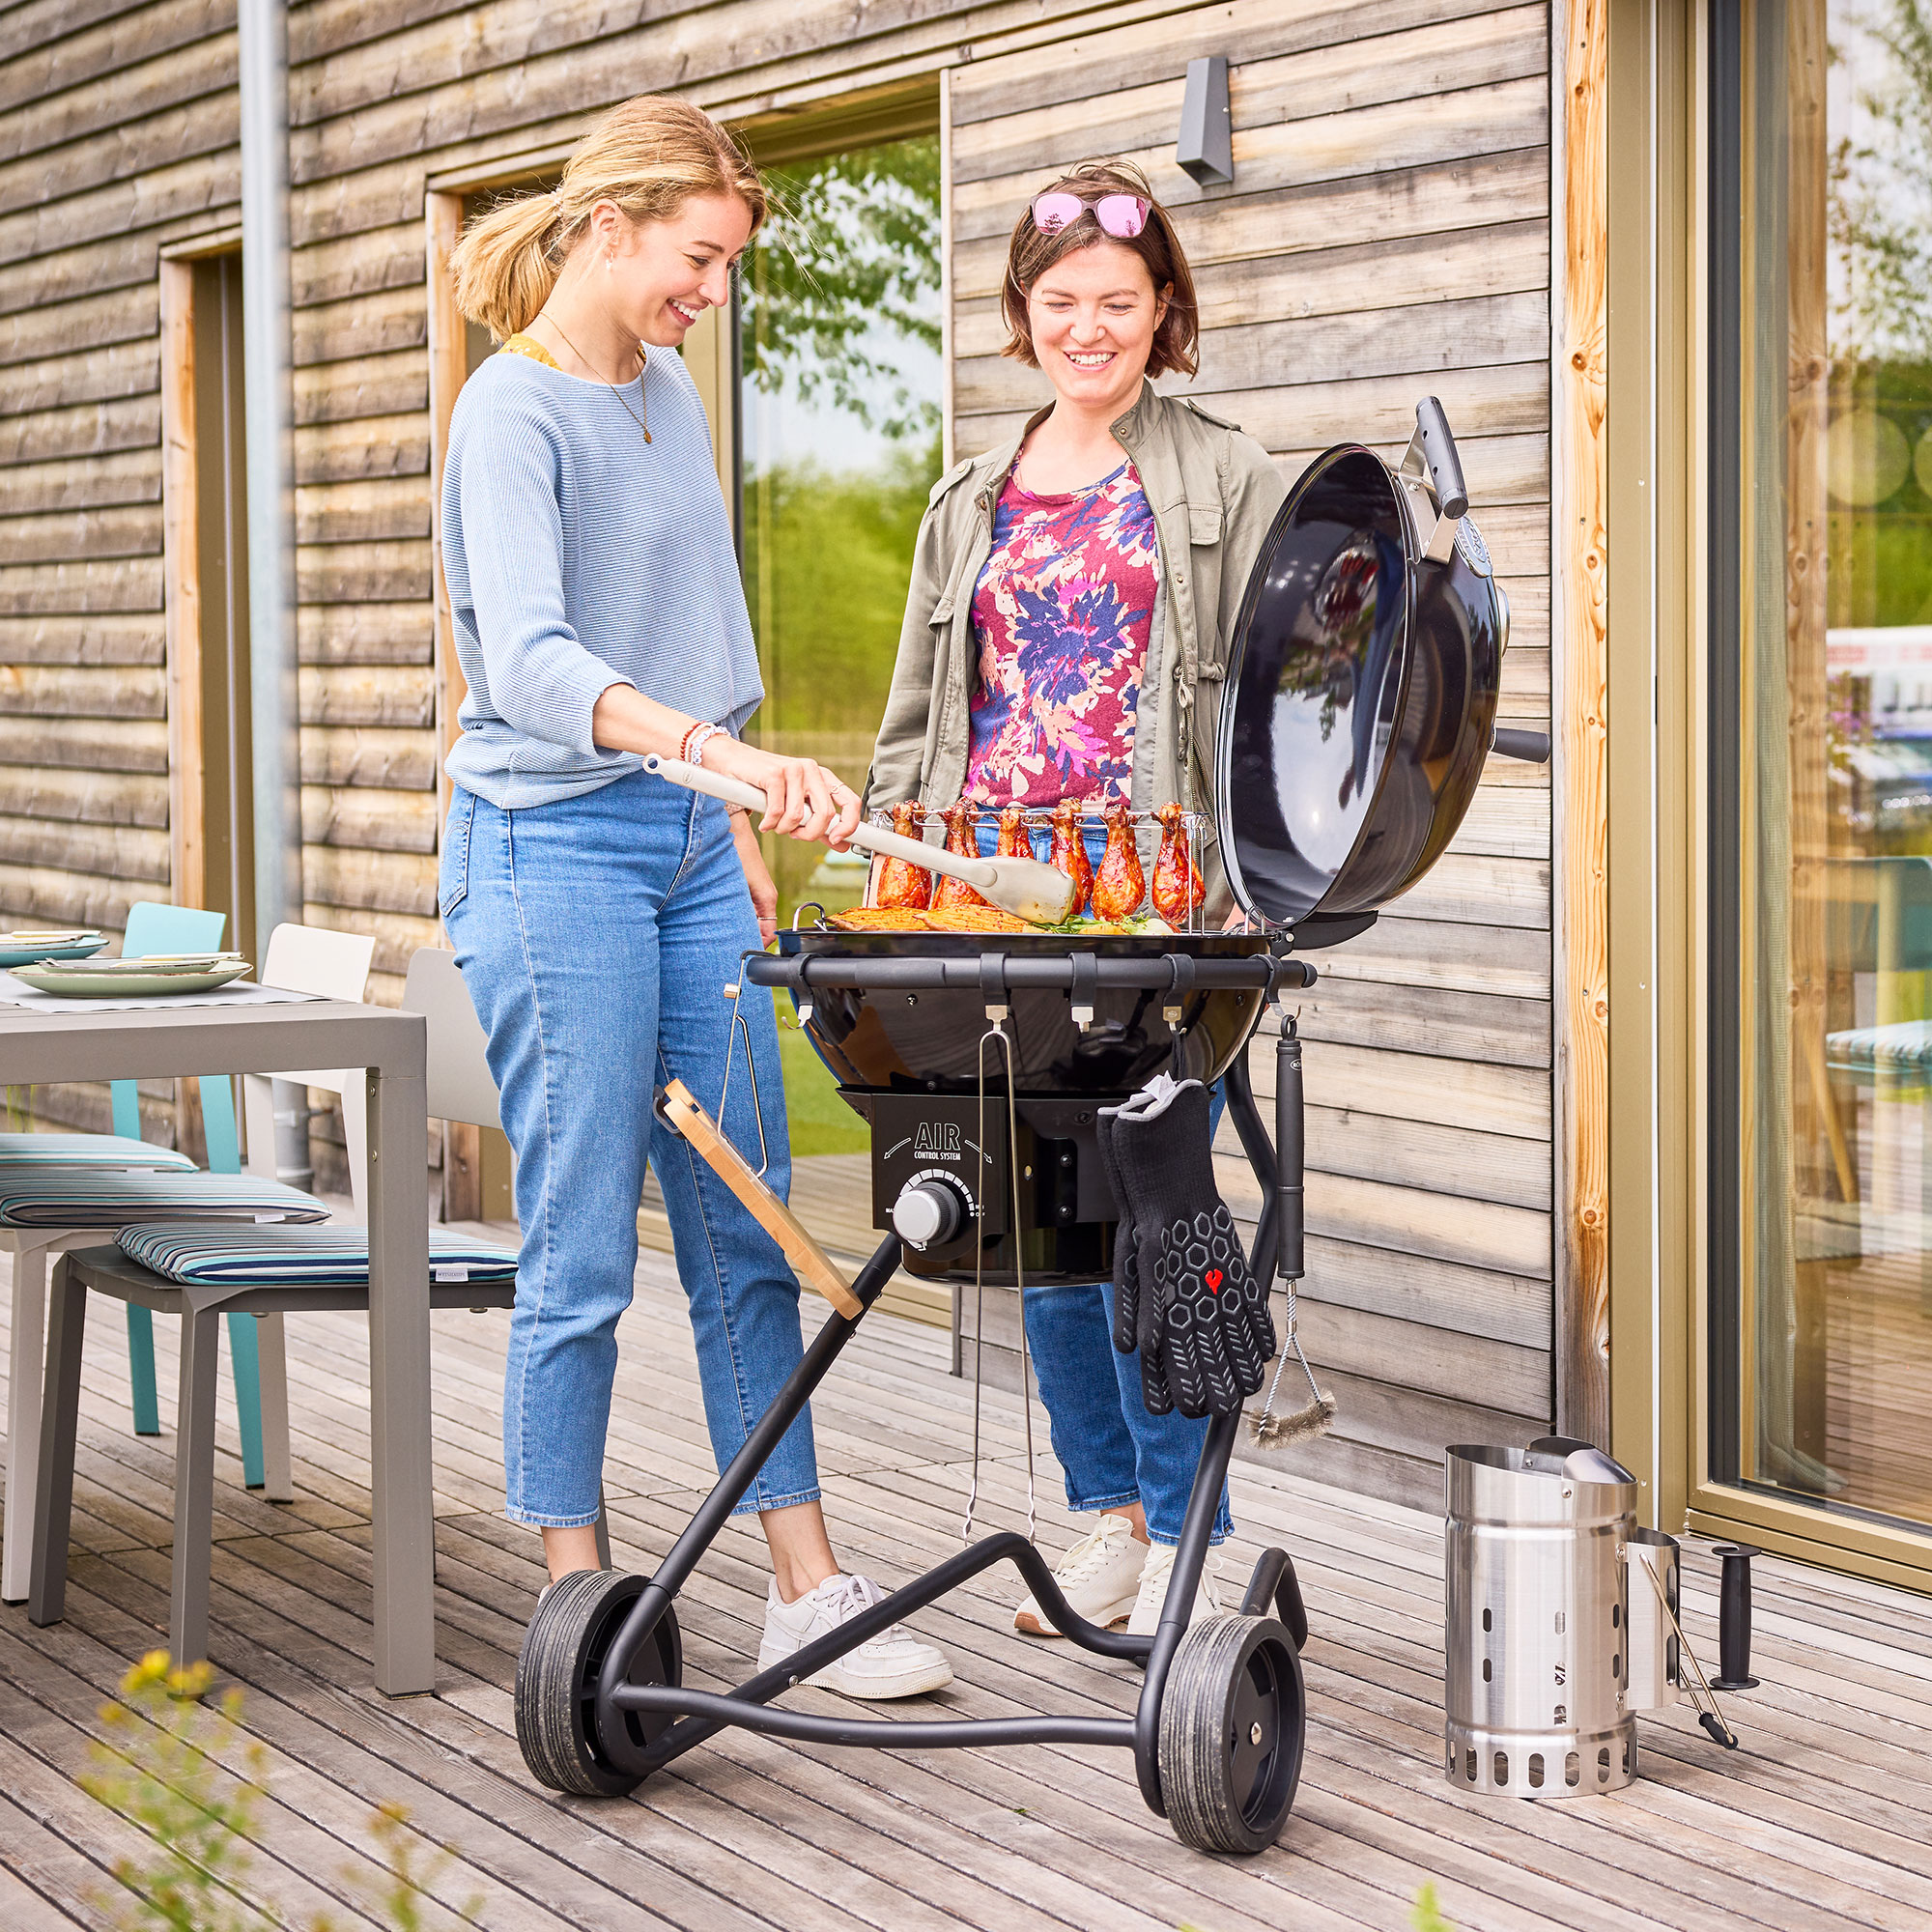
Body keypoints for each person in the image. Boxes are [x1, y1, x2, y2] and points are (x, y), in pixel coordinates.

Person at [439, 93, 950, 1699]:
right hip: (549, 852)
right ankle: (579, 1616)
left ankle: (803, 1582)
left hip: (682, 852)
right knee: (583, 1236)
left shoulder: (667, 394)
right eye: (699, 257)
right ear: (611, 226)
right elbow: (524, 664)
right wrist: (701, 763)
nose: (710, 294)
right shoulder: (507, 418)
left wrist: (734, 796)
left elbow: (697, 631)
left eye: (724, 266)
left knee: (746, 1214)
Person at [866, 159, 1286, 1636]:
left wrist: (1266, 880)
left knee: (1152, 1197)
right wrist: (893, 863)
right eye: (1061, 304)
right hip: (998, 894)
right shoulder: (969, 495)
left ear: (1164, 308)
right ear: (1022, 314)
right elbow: (925, 708)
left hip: (1154, 893)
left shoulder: (1221, 474)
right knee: (1040, 1214)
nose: (1089, 327)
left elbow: (1282, 697)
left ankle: (1187, 1531)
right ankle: (1104, 1519)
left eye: (1119, 301)